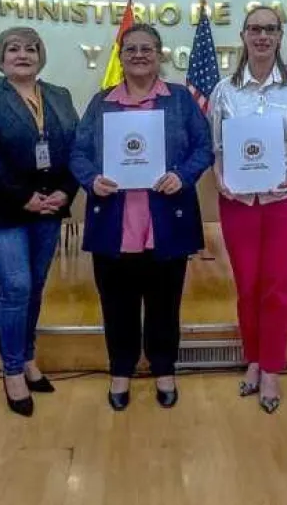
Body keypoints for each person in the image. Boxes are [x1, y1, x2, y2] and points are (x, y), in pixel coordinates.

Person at [70, 23, 213, 411]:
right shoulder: (102, 102)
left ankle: (164, 368)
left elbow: (204, 148)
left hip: (166, 220)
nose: (138, 55)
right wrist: (91, 178)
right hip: (115, 223)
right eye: (130, 49)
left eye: (146, 48)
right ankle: (121, 370)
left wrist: (182, 176)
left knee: (165, 303)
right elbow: (78, 153)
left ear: (159, 53)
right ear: (120, 55)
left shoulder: (181, 100)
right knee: (116, 303)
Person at [209, 6, 287, 414]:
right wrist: (221, 176)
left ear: (280, 37)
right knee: (247, 285)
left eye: (270, 29)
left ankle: (273, 369)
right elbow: (216, 150)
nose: (262, 36)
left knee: (280, 284)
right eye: (254, 29)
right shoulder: (224, 91)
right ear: (243, 36)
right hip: (239, 202)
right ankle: (254, 360)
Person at [0, 27, 79, 417]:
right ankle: (11, 370)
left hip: (48, 206)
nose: (23, 55)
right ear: (1, 57)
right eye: (14, 49)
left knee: (36, 286)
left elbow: (76, 147)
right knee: (15, 287)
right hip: (2, 208)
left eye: (31, 49)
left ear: (41, 56)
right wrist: (23, 196)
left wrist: (66, 191)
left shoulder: (59, 96)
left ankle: (28, 359)